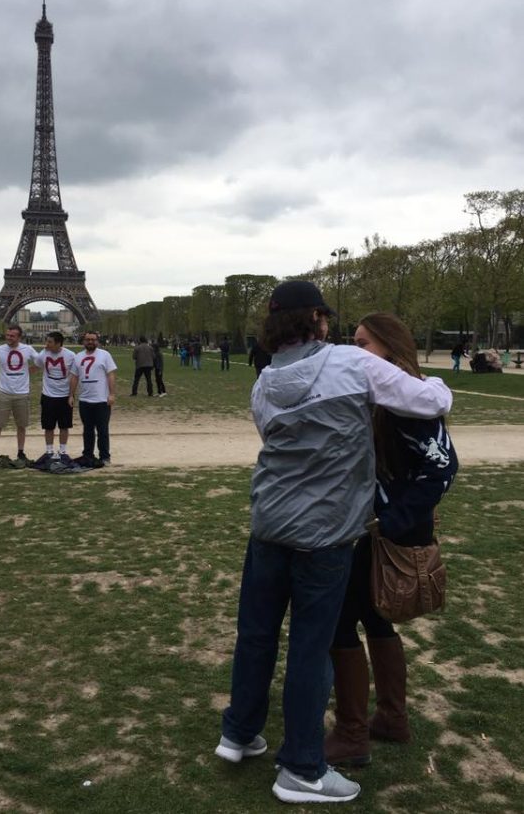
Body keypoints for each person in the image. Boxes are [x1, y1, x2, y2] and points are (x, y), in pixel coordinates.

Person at [215, 281, 452, 805]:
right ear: (318, 318)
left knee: (256, 634)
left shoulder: (264, 380)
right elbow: (432, 398)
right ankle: (301, 768)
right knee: (310, 646)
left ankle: (239, 733)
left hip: (269, 521)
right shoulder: (352, 363)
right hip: (324, 532)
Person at [324, 313, 459, 769]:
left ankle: (352, 733)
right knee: (374, 617)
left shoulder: (408, 400)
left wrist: (390, 519)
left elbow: (441, 467)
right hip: (392, 526)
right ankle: (390, 719)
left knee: (343, 622)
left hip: (392, 531)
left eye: (362, 344)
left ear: (389, 347)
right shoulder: (400, 395)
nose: (355, 352)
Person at [0, 325, 39, 466]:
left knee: (21, 425)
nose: (8, 338)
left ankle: (21, 452)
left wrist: (33, 369)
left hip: (21, 393)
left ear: (19, 337)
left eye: (12, 336)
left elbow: (41, 361)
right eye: (7, 335)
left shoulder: (27, 349)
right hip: (5, 392)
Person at [71, 331, 117, 466]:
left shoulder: (105, 355)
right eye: (87, 339)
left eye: (93, 339)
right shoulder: (78, 357)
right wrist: (71, 395)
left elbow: (111, 375)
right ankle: (88, 455)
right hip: (85, 400)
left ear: (97, 341)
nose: (90, 342)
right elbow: (74, 377)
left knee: (102, 430)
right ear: (83, 341)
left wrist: (112, 394)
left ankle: (104, 456)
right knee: (87, 430)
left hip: (101, 400)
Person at [34, 331, 77, 459]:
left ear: (58, 343)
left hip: (64, 396)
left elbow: (75, 375)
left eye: (49, 342)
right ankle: (49, 451)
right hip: (48, 395)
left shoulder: (70, 355)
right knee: (48, 426)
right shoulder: (43, 353)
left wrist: (71, 395)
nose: (46, 344)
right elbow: (36, 366)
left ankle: (63, 451)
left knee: (64, 426)